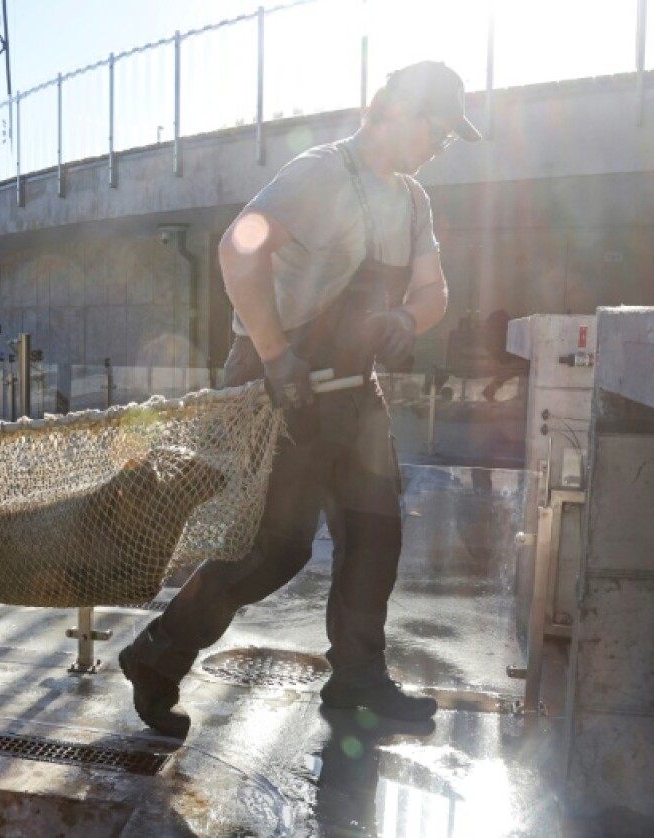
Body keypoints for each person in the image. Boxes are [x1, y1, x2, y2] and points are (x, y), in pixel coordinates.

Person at [119, 62, 481, 736]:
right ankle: (156, 656)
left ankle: (357, 681)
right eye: (438, 129)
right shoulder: (320, 174)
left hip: (354, 388)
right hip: (277, 382)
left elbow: (434, 291)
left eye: (450, 138)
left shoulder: (413, 200)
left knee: (375, 534)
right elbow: (237, 250)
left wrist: (408, 320)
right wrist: (277, 356)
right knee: (274, 548)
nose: (440, 146)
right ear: (395, 109)